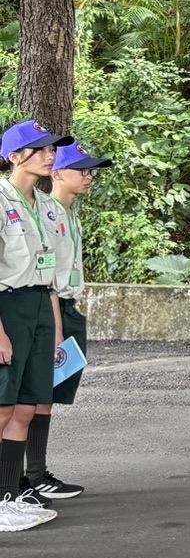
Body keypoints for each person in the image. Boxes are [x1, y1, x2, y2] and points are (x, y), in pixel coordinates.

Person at [29, 138, 104, 505]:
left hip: (68, 308)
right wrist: (57, 327)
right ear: (58, 174)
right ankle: (33, 475)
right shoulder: (47, 213)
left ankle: (36, 473)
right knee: (36, 396)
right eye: (82, 171)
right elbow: (48, 281)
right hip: (51, 309)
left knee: (49, 395)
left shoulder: (69, 213)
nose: (89, 177)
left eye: (91, 171)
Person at [0, 123, 63, 530]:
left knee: (26, 406)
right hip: (9, 307)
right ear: (14, 156)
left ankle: (7, 496)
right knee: (3, 407)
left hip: (40, 304)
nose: (49, 155)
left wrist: (55, 327)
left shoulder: (43, 203)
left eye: (51, 149)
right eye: (38, 148)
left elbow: (49, 270)